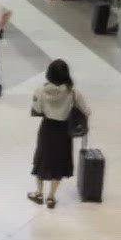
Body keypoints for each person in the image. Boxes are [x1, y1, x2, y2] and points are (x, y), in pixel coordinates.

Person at [30, 60, 89, 208]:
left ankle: (38, 193)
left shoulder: (41, 90)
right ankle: (51, 197)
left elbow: (37, 108)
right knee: (58, 161)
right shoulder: (73, 92)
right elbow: (86, 111)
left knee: (42, 159)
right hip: (64, 130)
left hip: (47, 128)